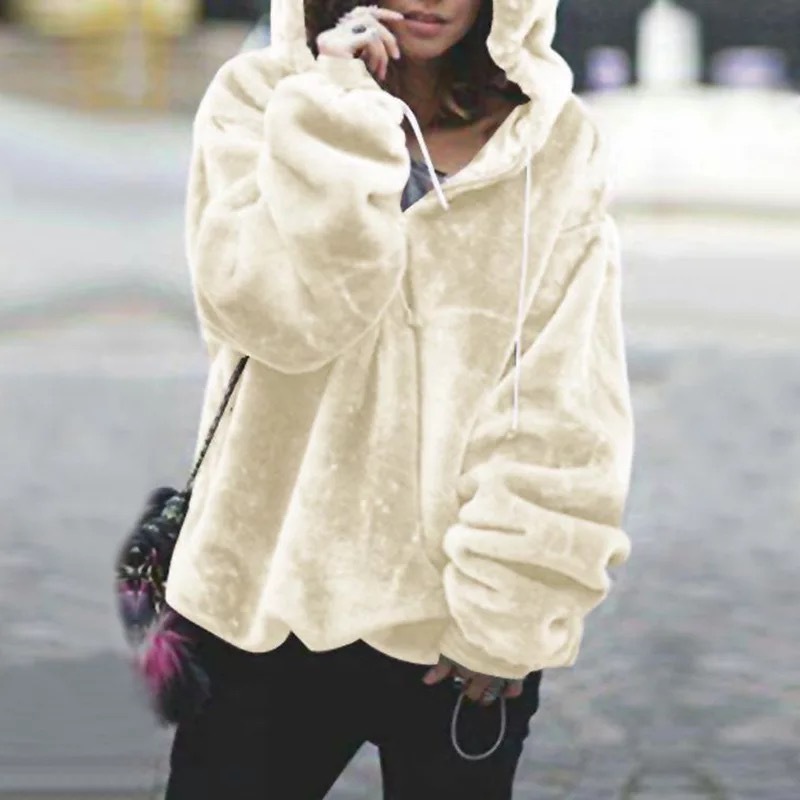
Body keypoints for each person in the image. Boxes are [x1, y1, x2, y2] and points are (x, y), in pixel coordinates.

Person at [162, 0, 635, 797]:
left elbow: (566, 394)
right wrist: (335, 115)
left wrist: (509, 603)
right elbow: (279, 321)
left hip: (452, 621)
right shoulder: (261, 99)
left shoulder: (553, 139)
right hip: (263, 599)